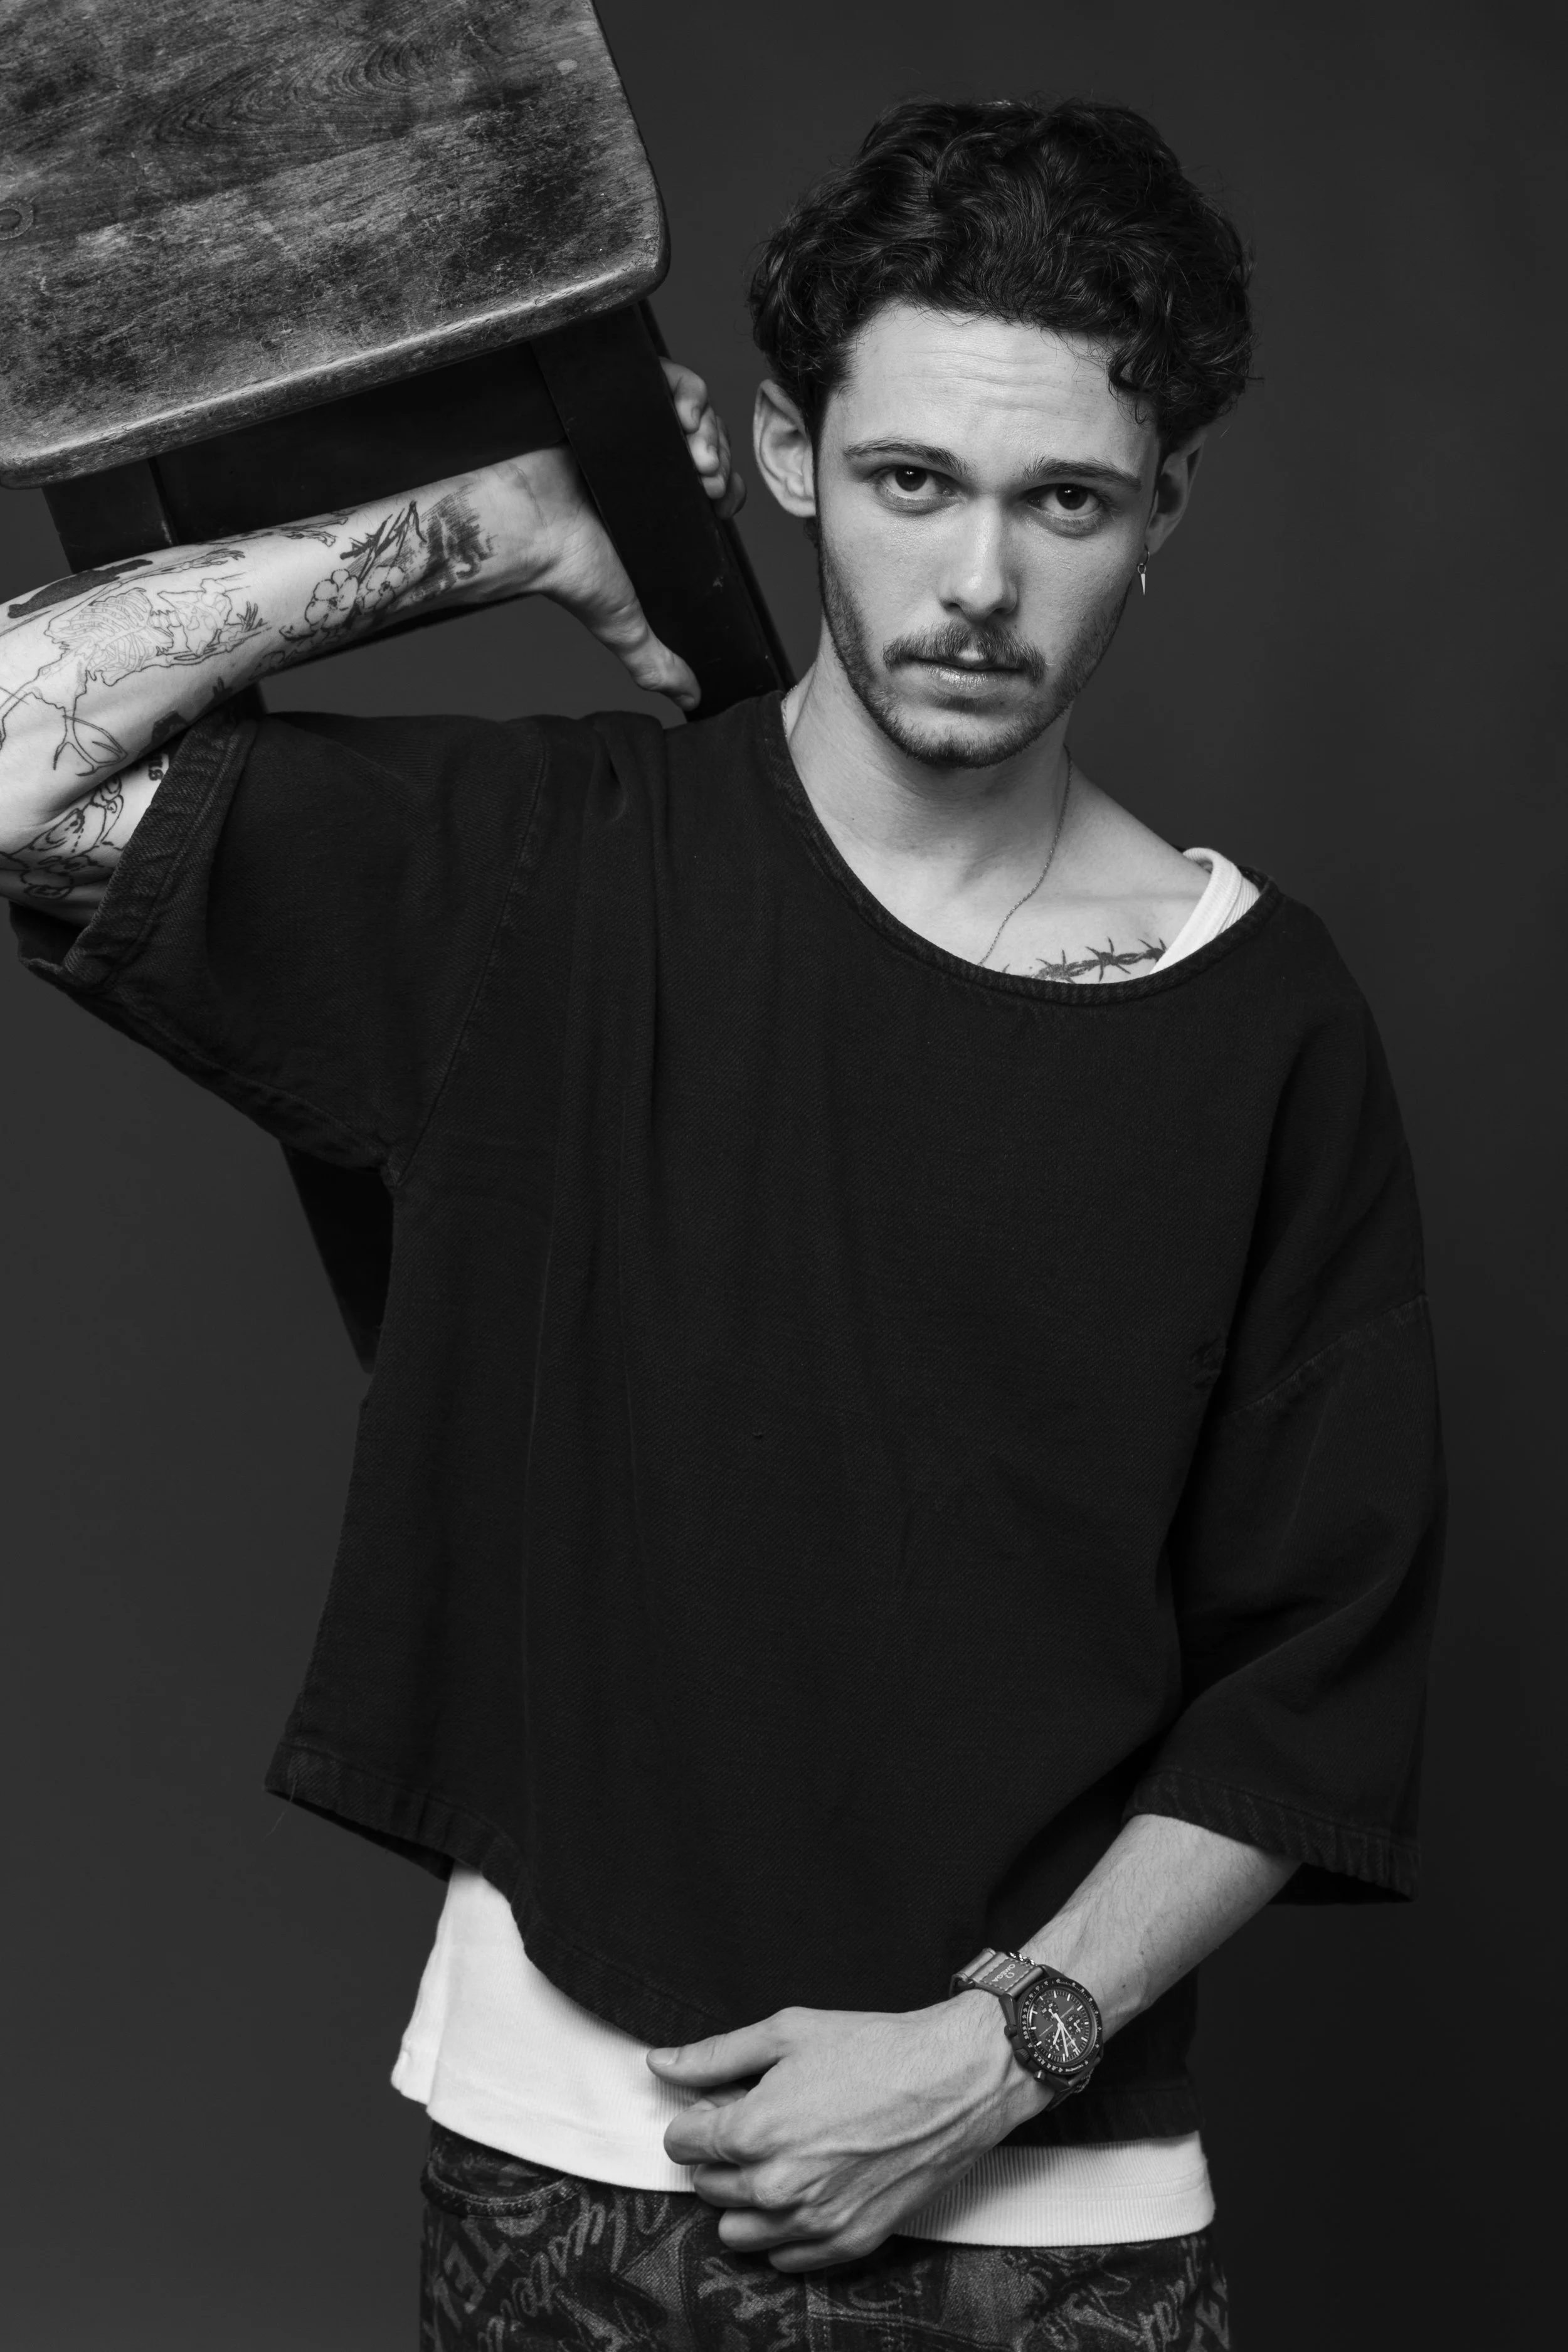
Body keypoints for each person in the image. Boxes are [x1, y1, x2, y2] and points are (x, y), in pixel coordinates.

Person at [1, 96, 1442, 2351]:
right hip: (582, 2152)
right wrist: (484, 526)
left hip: (1052, 2195)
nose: (977, 579)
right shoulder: (557, 879)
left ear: (1164, 515)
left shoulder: (1257, 1020)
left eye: (1063, 496)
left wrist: (992, 2053)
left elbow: (1312, 1674)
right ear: (784, 458)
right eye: (909, 481)